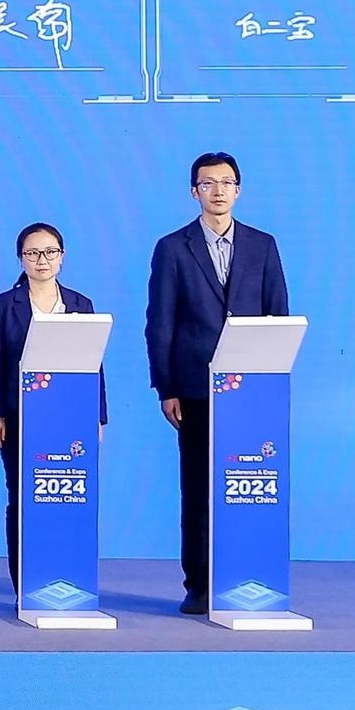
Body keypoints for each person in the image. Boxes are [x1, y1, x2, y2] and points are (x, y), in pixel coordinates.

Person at [146, 151, 291, 616]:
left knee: (250, 485)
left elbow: (277, 315)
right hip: (194, 387)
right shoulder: (173, 247)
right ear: (195, 192)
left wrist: (272, 380)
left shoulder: (262, 245)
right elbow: (160, 322)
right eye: (208, 183)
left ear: (239, 190)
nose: (218, 191)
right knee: (198, 489)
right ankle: (199, 584)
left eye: (226, 182)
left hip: (251, 388)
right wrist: (166, 387)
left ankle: (247, 574)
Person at [0, 222, 96, 586]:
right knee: (23, 496)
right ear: (21, 259)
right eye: (32, 253)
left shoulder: (80, 304)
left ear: (62, 257)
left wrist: (97, 417)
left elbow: (95, 363)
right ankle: (25, 583)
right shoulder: (3, 305)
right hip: (19, 416)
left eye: (49, 252)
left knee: (67, 496)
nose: (41, 260)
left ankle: (66, 574)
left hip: (69, 419)